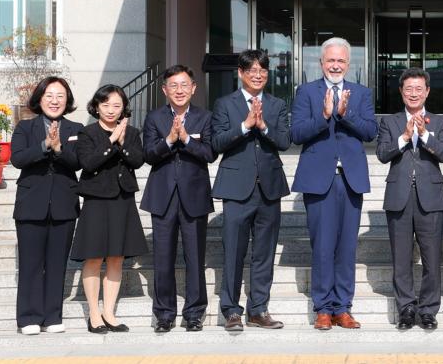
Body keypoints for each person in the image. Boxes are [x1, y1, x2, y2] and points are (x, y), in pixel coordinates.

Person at [291, 37, 378, 331]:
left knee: (346, 247)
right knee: (323, 246)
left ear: (348, 64)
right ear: (321, 63)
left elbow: (370, 132)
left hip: (350, 179)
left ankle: (343, 308)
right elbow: (296, 133)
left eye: (341, 61)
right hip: (319, 180)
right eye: (331, 60)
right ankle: (323, 308)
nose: (336, 65)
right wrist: (325, 116)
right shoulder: (306, 92)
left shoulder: (361, 93)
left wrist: (344, 114)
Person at [211, 49, 290, 332]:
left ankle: (258, 309)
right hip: (236, 188)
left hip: (269, 188)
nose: (258, 75)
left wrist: (264, 126)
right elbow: (216, 143)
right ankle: (231, 310)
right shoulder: (224, 104)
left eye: (263, 71)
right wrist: (245, 126)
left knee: (264, 253)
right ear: (241, 73)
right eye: (252, 71)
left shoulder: (277, 104)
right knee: (233, 252)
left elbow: (284, 140)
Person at [141, 65, 216, 333]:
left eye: (184, 84)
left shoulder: (205, 117)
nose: (179, 90)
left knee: (195, 257)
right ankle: (164, 314)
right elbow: (148, 154)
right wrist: (170, 140)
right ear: (165, 90)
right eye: (173, 85)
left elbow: (210, 153)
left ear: (193, 88)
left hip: (194, 196)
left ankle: (195, 313)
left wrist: (185, 139)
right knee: (163, 258)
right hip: (162, 196)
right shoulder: (154, 118)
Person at [376, 68, 443, 330]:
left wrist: (425, 134)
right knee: (401, 258)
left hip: (430, 197)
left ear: (427, 91)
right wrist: (406, 136)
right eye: (408, 89)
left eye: (419, 89)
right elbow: (383, 154)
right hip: (398, 196)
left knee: (432, 258)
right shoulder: (390, 122)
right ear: (401, 92)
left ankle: (429, 309)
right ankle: (406, 308)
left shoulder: (440, 122)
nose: (413, 93)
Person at [70, 84, 147, 334]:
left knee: (116, 257)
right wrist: (112, 141)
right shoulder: (88, 133)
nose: (111, 110)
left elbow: (138, 159)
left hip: (122, 200)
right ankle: (94, 313)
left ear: (124, 106)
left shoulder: (133, 132)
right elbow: (88, 163)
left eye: (116, 105)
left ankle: (109, 312)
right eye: (105, 105)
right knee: (94, 257)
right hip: (96, 200)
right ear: (97, 107)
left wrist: (123, 143)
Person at [11, 77, 83, 335]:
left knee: (57, 263)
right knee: (31, 264)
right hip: (31, 204)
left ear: (68, 100)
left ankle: (52, 316)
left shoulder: (76, 128)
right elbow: (17, 159)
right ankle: (28, 317)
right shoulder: (25, 128)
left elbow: (78, 162)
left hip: (64, 203)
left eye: (60, 96)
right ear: (40, 99)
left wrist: (60, 148)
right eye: (49, 95)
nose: (55, 101)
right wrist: (44, 146)